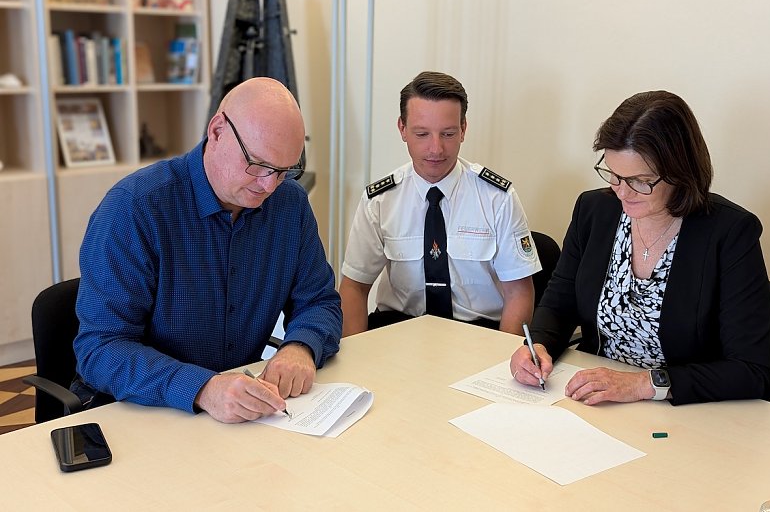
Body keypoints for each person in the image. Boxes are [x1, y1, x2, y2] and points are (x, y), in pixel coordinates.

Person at [72, 77, 342, 423]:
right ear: (217, 131)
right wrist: (202, 388)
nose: (268, 186)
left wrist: (301, 346)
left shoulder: (290, 206)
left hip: (232, 417)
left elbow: (319, 300)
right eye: (258, 164)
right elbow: (100, 349)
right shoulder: (134, 209)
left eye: (284, 170)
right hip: (138, 413)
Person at [511, 90, 770, 405]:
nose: (623, 192)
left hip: (686, 413)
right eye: (614, 175)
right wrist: (536, 346)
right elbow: (559, 304)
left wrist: (643, 384)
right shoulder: (595, 210)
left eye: (640, 180)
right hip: (596, 401)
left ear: (680, 171)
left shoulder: (730, 233)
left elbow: (750, 370)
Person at [339, 71, 541, 337]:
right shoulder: (379, 201)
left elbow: (519, 292)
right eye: (422, 134)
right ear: (402, 128)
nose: (436, 149)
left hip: (477, 335)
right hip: (399, 333)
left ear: (463, 130)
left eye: (447, 134)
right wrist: (356, 358)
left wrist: (502, 364)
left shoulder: (497, 198)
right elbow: (354, 287)